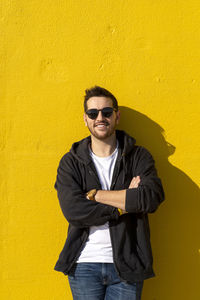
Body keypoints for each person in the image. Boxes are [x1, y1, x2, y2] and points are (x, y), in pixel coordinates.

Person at [54, 86, 165, 300]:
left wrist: (94, 195)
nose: (100, 117)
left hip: (128, 264)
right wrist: (124, 203)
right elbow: (74, 210)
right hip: (84, 263)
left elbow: (150, 198)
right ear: (85, 119)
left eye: (106, 112)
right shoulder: (71, 162)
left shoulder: (137, 156)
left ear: (117, 116)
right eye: (93, 113)